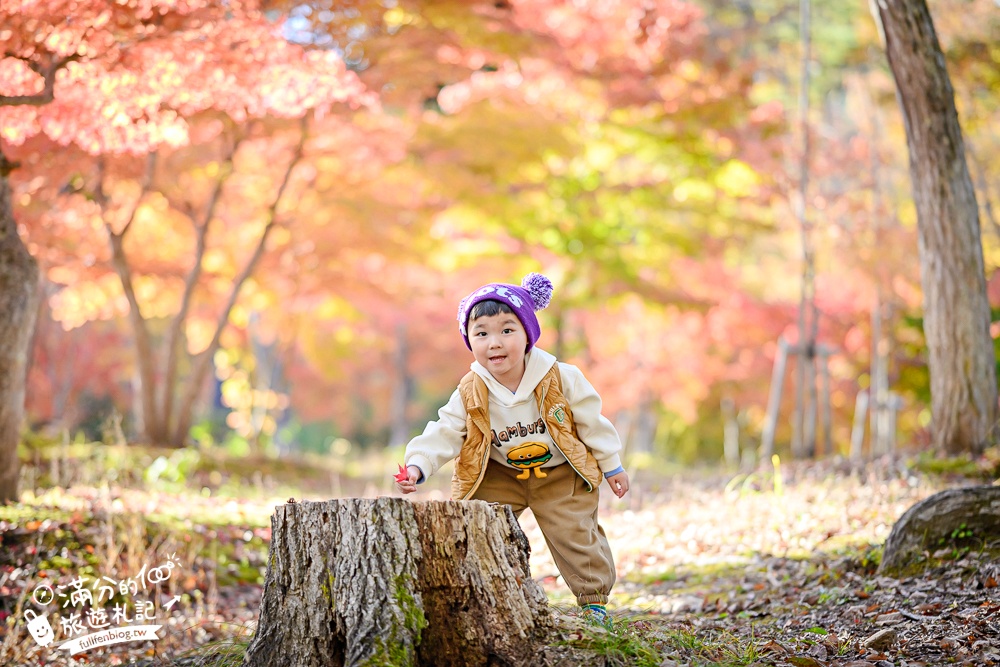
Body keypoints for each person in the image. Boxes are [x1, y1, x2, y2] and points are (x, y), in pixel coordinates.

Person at [395, 272, 629, 623]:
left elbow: (592, 422)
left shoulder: (561, 377)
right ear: (469, 341)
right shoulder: (471, 389)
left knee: (576, 533)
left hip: (560, 471)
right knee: (476, 528)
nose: (495, 343)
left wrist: (611, 465)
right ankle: (486, 600)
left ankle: (593, 604)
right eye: (482, 333)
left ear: (528, 335)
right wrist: (418, 465)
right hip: (500, 473)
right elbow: (445, 430)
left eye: (507, 330)